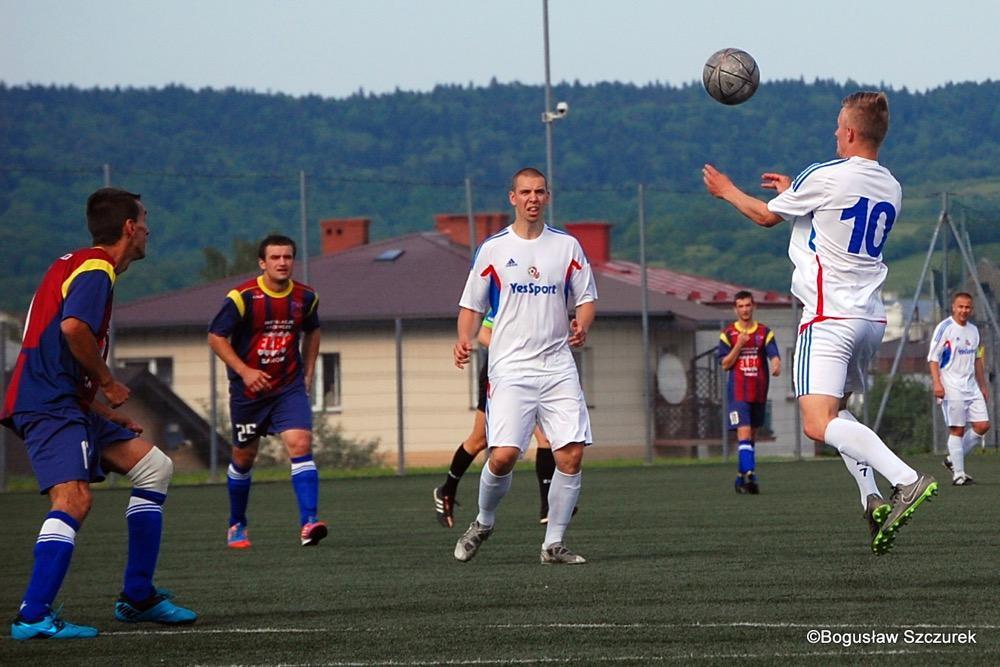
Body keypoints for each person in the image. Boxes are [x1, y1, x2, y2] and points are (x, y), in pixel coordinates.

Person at [703, 91, 937, 555]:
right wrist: (799, 191)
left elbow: (767, 217)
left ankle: (906, 480)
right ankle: (870, 498)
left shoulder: (824, 175)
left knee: (816, 424)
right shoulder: (891, 184)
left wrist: (727, 191)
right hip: (870, 319)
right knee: (838, 413)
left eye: (837, 126)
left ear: (849, 132)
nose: (834, 133)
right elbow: (833, 214)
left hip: (828, 318)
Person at [1, 188, 197, 640]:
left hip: (65, 401)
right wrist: (109, 383)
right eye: (144, 220)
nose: (148, 229)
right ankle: (32, 617)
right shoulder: (95, 269)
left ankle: (137, 597)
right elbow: (73, 330)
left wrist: (103, 412)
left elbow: (55, 350)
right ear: (129, 228)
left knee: (154, 466)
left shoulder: (79, 266)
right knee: (73, 500)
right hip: (50, 406)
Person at [451, 167, 597, 565]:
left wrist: (581, 326)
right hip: (511, 368)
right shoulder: (494, 249)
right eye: (525, 192)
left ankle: (553, 544)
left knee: (571, 454)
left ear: (547, 196)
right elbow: (471, 306)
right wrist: (465, 339)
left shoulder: (567, 246)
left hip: (557, 365)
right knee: (502, 455)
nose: (533, 198)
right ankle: (483, 522)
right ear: (512, 198)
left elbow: (585, 299)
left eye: (539, 191)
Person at [208, 234, 326, 548]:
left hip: (288, 387)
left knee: (300, 443)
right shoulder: (242, 297)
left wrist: (309, 372)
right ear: (263, 263)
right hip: (249, 392)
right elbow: (216, 337)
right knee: (244, 458)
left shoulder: (306, 297)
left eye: (287, 257)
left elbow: (313, 331)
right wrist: (245, 372)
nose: (282, 262)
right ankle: (236, 523)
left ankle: (309, 523)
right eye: (275, 258)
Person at [433, 317, 559, 528]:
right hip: (501, 375)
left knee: (545, 437)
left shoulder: (547, 296)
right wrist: (516, 355)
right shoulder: (511, 292)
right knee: (479, 439)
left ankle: (548, 507)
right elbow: (483, 335)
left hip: (536, 376)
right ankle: (447, 489)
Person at [717, 290, 780, 494]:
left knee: (750, 439)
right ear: (735, 309)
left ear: (754, 307)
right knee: (743, 434)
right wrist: (739, 346)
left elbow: (774, 355)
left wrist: (777, 365)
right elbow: (725, 364)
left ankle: (740, 477)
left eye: (747, 305)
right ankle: (751, 475)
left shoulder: (764, 332)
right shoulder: (728, 334)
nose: (744, 309)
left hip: (758, 392)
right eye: (741, 306)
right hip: (738, 394)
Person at [928, 292, 991, 485]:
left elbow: (977, 359)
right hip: (951, 386)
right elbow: (933, 357)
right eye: (960, 307)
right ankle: (959, 474)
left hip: (971, 386)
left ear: (971, 309)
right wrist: (937, 383)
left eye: (967, 307)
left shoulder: (974, 331)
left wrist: (982, 385)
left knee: (982, 426)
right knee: (957, 429)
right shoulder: (945, 328)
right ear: (954, 307)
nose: (964, 310)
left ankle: (951, 460)